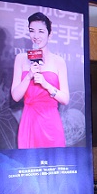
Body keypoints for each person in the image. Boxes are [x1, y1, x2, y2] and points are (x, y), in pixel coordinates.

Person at [11, 12, 68, 149]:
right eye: (32, 31)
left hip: (51, 122)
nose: (36, 36)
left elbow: (65, 99)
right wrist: (29, 75)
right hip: (29, 122)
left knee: (55, 160)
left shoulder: (59, 61)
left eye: (41, 31)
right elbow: (16, 96)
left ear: (50, 34)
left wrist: (46, 84)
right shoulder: (21, 59)